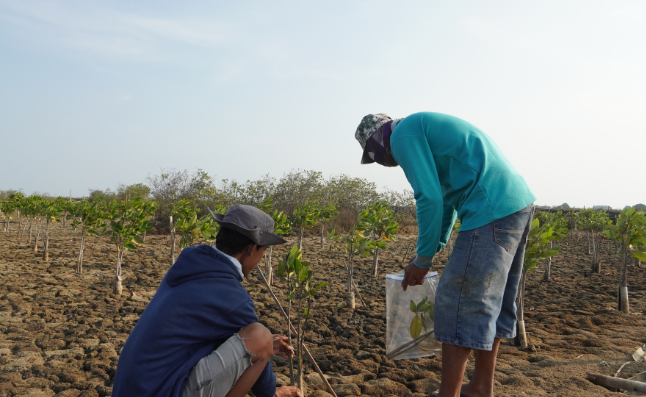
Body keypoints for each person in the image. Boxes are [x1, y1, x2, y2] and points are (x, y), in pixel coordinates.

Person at [355, 112, 535, 397]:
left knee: (457, 303)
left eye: (373, 156)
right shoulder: (422, 129)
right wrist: (436, 245)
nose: (381, 162)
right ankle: (479, 387)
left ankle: (449, 393)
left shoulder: (402, 135)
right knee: (493, 302)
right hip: (516, 203)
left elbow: (428, 197)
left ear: (377, 141)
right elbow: (447, 200)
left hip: (488, 208)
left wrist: (422, 260)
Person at [112, 205, 302, 397]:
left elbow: (215, 333)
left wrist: (270, 344)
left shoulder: (190, 264)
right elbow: (257, 348)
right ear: (252, 249)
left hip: (135, 388)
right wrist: (273, 392)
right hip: (162, 391)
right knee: (260, 336)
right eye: (263, 252)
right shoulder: (230, 295)